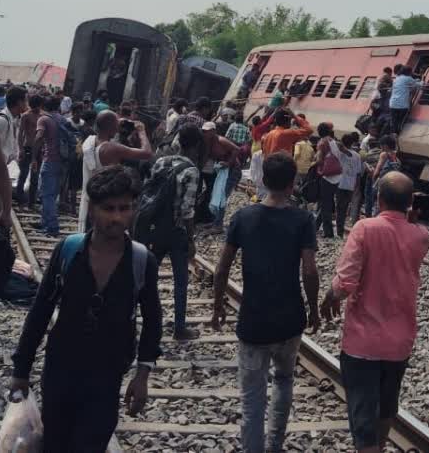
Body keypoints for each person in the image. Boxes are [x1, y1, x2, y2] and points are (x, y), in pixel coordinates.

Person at [11, 165, 160, 452]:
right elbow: (41, 311)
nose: (117, 217)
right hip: (61, 369)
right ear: (92, 209)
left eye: (124, 208)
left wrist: (142, 376)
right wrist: (21, 369)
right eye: (109, 208)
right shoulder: (69, 251)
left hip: (107, 373)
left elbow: (153, 321)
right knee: (55, 441)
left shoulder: (142, 261)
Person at [212, 152, 319, 453]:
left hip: (253, 320)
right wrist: (312, 309)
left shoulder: (243, 217)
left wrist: (218, 304)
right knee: (284, 380)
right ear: (292, 183)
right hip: (289, 319)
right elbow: (310, 270)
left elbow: (222, 267)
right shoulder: (303, 219)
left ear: (262, 180)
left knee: (252, 397)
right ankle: (275, 444)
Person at [321, 172, 429, 453]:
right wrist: (412, 221)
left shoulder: (365, 228)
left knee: (363, 419)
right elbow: (414, 238)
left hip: (363, 342)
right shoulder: (422, 236)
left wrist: (329, 297)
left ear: (379, 198)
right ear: (409, 203)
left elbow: (346, 282)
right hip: (399, 343)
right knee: (386, 407)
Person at [146, 124, 202, 341]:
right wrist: (190, 239)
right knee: (180, 281)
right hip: (177, 231)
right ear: (196, 145)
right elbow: (187, 210)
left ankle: (137, 321)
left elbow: (148, 193)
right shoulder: (191, 170)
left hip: (155, 228)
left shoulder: (161, 161)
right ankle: (180, 328)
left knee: (148, 277)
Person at [77, 110, 153, 227]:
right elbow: (147, 153)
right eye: (116, 124)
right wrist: (142, 131)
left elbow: (106, 127)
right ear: (110, 127)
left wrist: (115, 121)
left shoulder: (90, 142)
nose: (118, 127)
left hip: (92, 198)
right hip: (108, 199)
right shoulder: (111, 148)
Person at [34, 95, 65, 236]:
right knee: (52, 194)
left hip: (50, 160)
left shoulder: (44, 119)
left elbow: (39, 136)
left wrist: (34, 157)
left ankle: (52, 226)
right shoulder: (62, 119)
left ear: (44, 106)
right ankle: (45, 222)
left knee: (46, 195)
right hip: (63, 161)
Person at [16, 93, 44, 206]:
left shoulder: (43, 116)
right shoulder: (26, 116)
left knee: (35, 177)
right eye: (36, 105)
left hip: (38, 150)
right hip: (27, 147)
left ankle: (31, 201)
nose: (38, 108)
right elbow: (20, 133)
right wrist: (20, 149)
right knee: (23, 174)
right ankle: (19, 198)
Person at [388, 65, 423, 134]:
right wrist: (422, 82)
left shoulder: (397, 78)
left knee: (394, 121)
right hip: (402, 105)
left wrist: (415, 81)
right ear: (409, 72)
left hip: (392, 104)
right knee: (401, 122)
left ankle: (392, 134)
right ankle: (397, 134)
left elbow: (406, 84)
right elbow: (418, 85)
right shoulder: (408, 78)